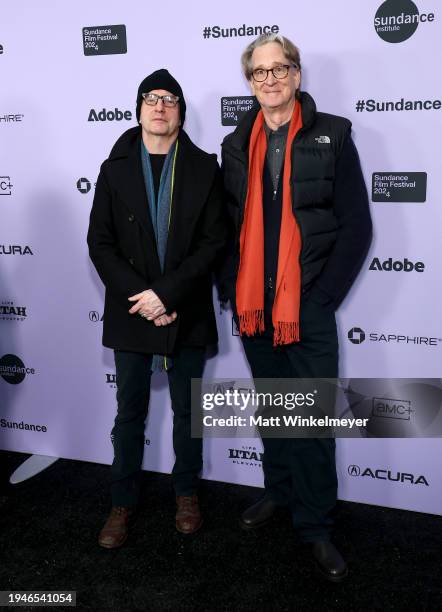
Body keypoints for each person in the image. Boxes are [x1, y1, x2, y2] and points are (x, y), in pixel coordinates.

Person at [219, 34, 372, 581]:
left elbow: (356, 226)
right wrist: (231, 290)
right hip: (256, 309)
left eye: (280, 68)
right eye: (260, 72)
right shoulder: (235, 144)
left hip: (306, 306)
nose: (271, 79)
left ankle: (316, 525)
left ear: (297, 75)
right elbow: (227, 227)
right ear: (250, 83)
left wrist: (323, 297)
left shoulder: (333, 134)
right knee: (275, 410)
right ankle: (278, 493)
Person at [87, 69, 226, 548]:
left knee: (189, 412)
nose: (160, 106)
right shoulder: (114, 168)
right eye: (152, 98)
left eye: (170, 99)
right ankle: (121, 503)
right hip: (133, 310)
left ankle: (186, 493)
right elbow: (100, 244)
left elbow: (213, 243)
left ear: (181, 113)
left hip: (184, 308)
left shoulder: (206, 167)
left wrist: (167, 295)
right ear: (139, 108)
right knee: (130, 414)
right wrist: (145, 300)